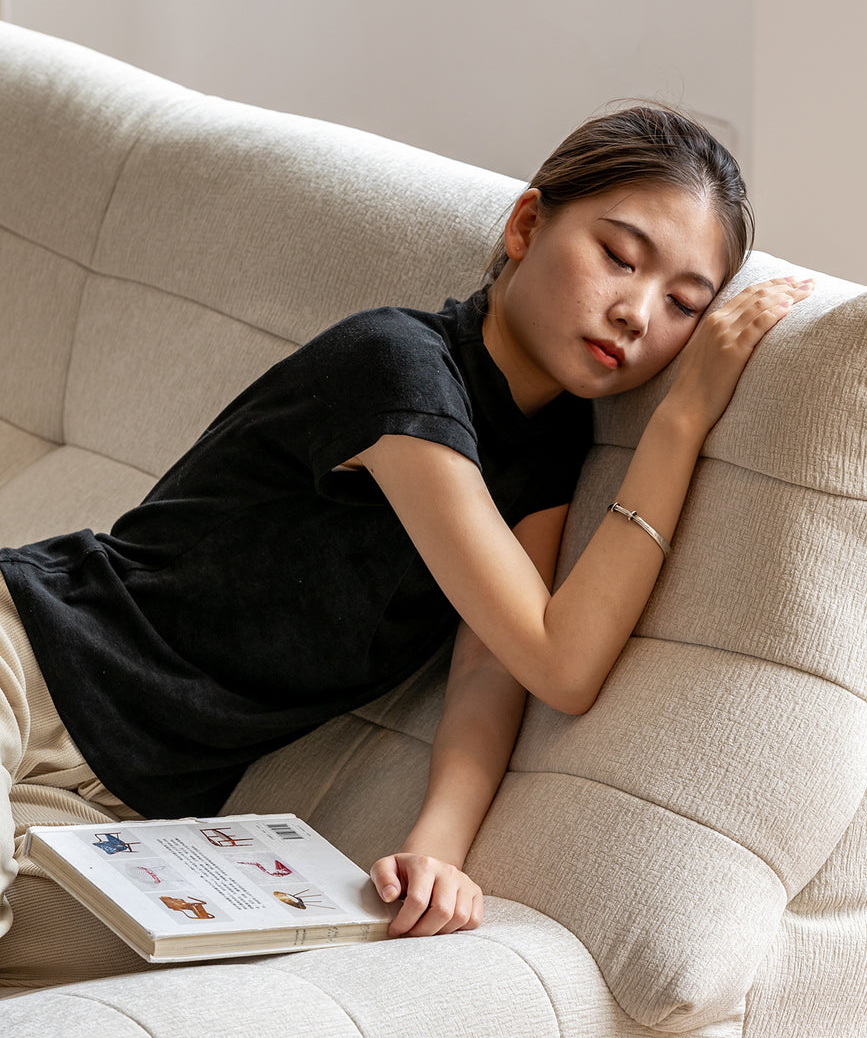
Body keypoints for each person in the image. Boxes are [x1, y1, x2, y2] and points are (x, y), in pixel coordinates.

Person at [0, 105, 814, 973]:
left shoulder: (548, 454)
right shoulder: (396, 370)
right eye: (619, 257)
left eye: (684, 304)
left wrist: (438, 849)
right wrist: (682, 418)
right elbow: (556, 654)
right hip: (32, 661)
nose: (637, 312)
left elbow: (500, 663)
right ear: (527, 225)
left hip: (129, 804)